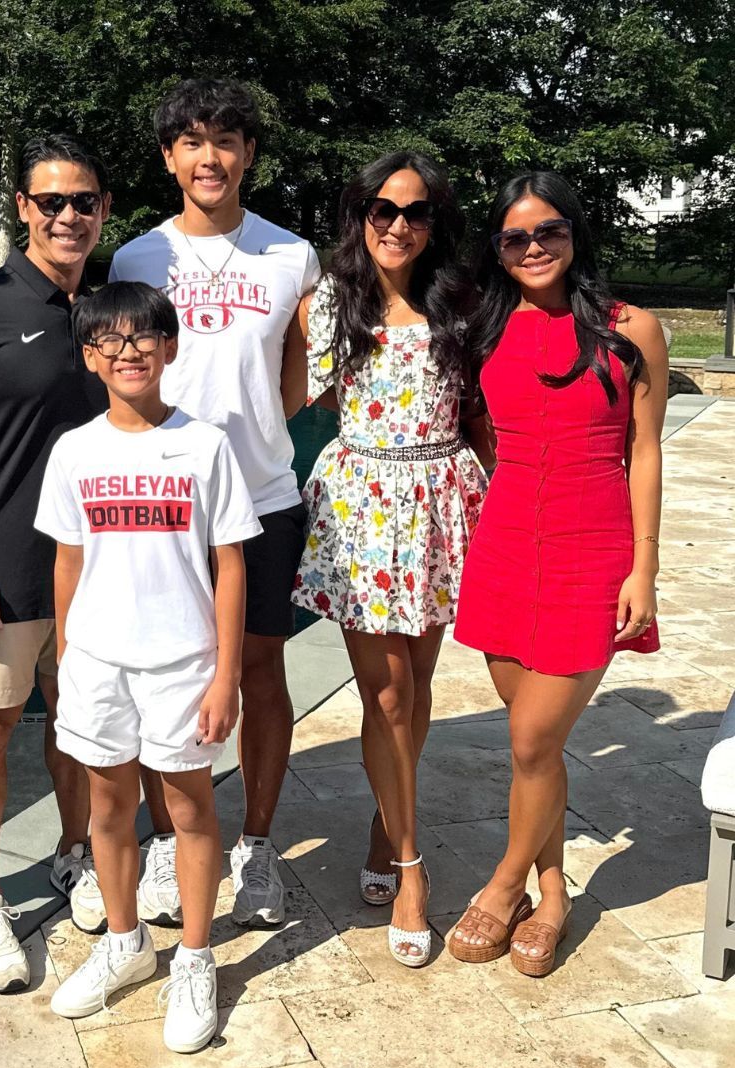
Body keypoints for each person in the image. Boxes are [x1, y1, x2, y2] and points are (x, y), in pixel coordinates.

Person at [109, 77, 321, 928]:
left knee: (262, 672)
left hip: (263, 497)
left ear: (249, 157)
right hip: (161, 501)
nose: (210, 157)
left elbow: (300, 374)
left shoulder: (289, 255)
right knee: (164, 676)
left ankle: (258, 845)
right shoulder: (135, 260)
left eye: (225, 141)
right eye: (192, 141)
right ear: (169, 158)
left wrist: (261, 428)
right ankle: (167, 843)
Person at [449, 171, 666, 977]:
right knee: (534, 745)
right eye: (516, 237)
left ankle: (504, 886)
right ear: (499, 251)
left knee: (533, 736)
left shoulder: (631, 329)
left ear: (576, 234)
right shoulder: (484, 328)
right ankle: (554, 891)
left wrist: (644, 566)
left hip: (593, 545)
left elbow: (644, 450)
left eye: (551, 231)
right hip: (506, 544)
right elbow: (479, 430)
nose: (535, 247)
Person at [36, 280, 261, 1052]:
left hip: (182, 662)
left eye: (143, 338)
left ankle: (195, 956)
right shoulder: (75, 449)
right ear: (89, 355)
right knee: (107, 809)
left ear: (169, 347)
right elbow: (69, 561)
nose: (127, 351)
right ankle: (126, 942)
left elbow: (230, 565)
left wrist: (225, 674)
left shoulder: (203, 443)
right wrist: (66, 661)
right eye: (109, 340)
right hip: (99, 661)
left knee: (190, 808)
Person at [281, 152, 487, 966]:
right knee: (388, 690)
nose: (398, 225)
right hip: (365, 507)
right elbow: (312, 396)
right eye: (382, 209)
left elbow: (477, 410)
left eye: (416, 211)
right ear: (358, 213)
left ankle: (382, 819)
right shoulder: (328, 303)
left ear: (435, 223)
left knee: (419, 682)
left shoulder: (463, 302)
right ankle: (410, 867)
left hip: (441, 502)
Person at [0, 135, 111, 986]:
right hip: (4, 574)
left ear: (104, 210)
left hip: (99, 571)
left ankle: (76, 854)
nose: (68, 216)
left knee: (80, 727)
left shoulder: (112, 313)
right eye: (51, 202)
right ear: (24, 211)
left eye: (83, 201)